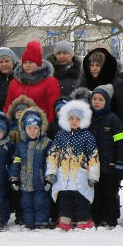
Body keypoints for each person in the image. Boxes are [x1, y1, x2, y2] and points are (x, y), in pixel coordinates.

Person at [45, 99, 100, 231]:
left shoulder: (87, 136)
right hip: (63, 175)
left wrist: (93, 175)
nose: (74, 121)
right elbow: (53, 155)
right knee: (65, 199)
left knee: (81, 199)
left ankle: (83, 220)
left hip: (80, 174)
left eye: (77, 119)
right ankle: (65, 220)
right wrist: (51, 172)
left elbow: (93, 157)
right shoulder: (60, 135)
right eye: (71, 118)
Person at [88, 84, 123, 228]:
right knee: (96, 193)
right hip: (93, 166)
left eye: (100, 99)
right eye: (94, 99)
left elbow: (122, 143)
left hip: (110, 166)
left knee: (110, 193)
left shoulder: (114, 120)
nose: (97, 102)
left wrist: (120, 162)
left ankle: (111, 218)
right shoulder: (88, 119)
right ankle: (96, 218)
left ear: (107, 102)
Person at [9, 108, 52, 229]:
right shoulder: (21, 145)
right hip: (25, 182)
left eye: (35, 128)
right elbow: (16, 161)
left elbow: (51, 162)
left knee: (41, 203)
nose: (32, 131)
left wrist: (50, 178)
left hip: (40, 181)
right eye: (29, 128)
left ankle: (41, 223)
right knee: (26, 204)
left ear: (40, 129)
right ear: (25, 129)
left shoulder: (46, 143)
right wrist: (14, 177)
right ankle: (29, 222)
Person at [4, 41, 62, 124]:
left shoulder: (50, 82)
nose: (27, 65)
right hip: (17, 126)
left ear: (38, 64)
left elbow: (52, 108)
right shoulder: (15, 82)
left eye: (31, 62)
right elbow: (8, 105)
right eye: (25, 63)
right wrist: (12, 115)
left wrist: (48, 126)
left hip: (40, 126)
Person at [82, 47, 123, 124]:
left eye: (98, 66)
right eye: (92, 65)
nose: (94, 68)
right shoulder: (85, 82)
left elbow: (122, 112)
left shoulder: (118, 84)